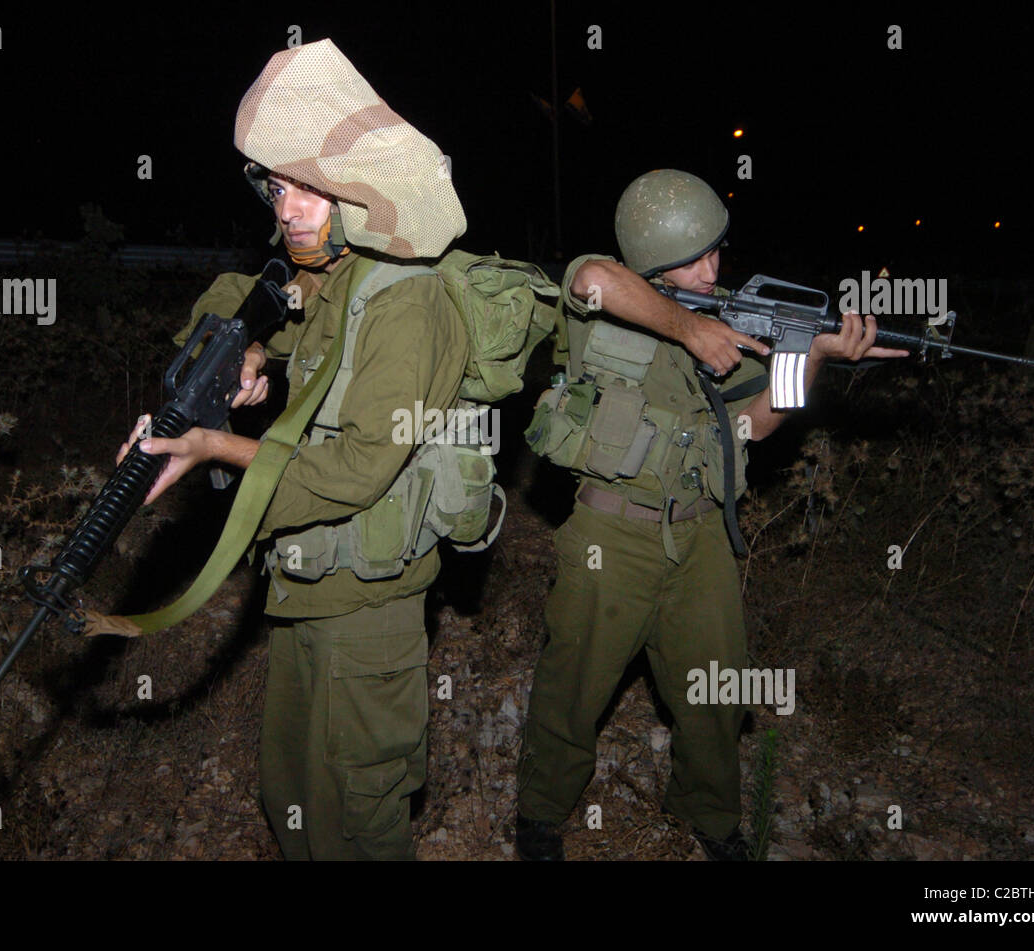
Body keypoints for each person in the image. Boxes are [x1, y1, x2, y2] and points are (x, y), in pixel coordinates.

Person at [116, 39, 469, 860]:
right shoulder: (332, 277)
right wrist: (242, 349)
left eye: (313, 191)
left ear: (359, 199)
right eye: (280, 189)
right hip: (308, 584)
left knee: (362, 813)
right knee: (294, 801)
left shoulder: (405, 304)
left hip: (368, 608)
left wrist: (211, 447)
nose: (290, 210)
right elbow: (251, 297)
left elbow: (355, 470)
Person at [515, 169, 906, 860]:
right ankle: (542, 815)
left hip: (698, 532)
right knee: (573, 686)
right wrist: (689, 327)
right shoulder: (603, 294)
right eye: (692, 259)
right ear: (652, 261)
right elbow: (588, 279)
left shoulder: (726, 322)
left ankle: (711, 814)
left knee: (716, 692)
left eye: (716, 251)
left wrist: (811, 355)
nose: (712, 269)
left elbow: (756, 423)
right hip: (611, 530)